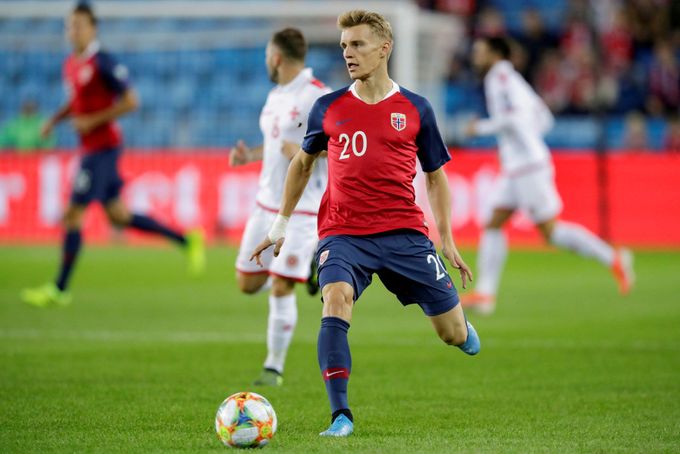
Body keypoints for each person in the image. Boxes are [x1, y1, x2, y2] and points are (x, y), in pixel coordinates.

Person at [250, 10, 480, 437]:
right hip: (343, 232)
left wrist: (446, 237)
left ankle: (462, 329)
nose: (348, 53)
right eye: (343, 46)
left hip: (404, 234)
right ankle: (341, 415)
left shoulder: (416, 108)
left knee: (451, 334)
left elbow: (435, 175)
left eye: (357, 44)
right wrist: (281, 223)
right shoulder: (328, 107)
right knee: (335, 298)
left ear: (384, 48)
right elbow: (301, 164)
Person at [21, 3, 205, 308]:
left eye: (79, 25)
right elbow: (76, 102)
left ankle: (59, 288)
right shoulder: (71, 64)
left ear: (93, 28)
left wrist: (93, 121)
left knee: (72, 215)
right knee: (118, 215)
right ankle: (187, 241)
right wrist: (54, 121)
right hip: (91, 149)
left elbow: (132, 101)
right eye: (70, 25)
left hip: (102, 149)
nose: (73, 31)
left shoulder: (103, 62)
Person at [463, 36, 635, 315]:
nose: (475, 57)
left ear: (495, 54)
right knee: (493, 222)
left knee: (551, 232)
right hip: (519, 165)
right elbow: (544, 118)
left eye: (480, 52)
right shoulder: (515, 80)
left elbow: (513, 118)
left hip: (528, 167)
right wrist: (519, 143)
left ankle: (614, 257)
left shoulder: (499, 78)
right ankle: (485, 294)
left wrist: (480, 128)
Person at [230, 28, 331, 387]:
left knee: (280, 286)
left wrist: (310, 152)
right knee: (246, 282)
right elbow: (277, 144)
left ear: (276, 58)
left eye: (266, 58)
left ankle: (273, 367)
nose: (266, 64)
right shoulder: (275, 95)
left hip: (302, 209)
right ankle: (312, 264)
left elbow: (341, 144)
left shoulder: (317, 95)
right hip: (264, 205)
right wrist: (251, 156)